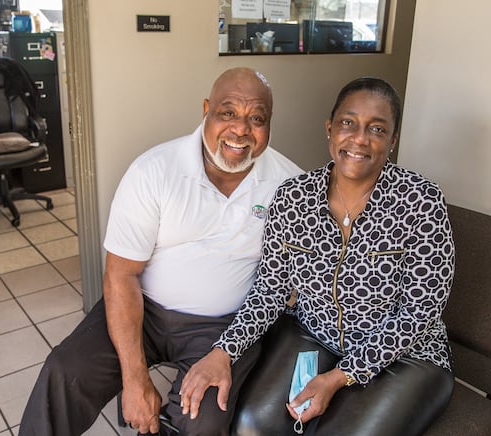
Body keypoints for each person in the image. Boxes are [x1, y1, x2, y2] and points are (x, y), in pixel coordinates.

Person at [19, 67, 303, 436]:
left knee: (202, 418)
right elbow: (121, 274)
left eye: (257, 118)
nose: (241, 129)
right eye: (228, 112)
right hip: (144, 310)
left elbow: (285, 283)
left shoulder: (289, 185)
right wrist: (135, 380)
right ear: (206, 110)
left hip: (223, 326)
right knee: (65, 369)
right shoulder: (154, 171)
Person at [181, 77, 455, 435]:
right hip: (316, 336)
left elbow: (419, 312)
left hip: (405, 356)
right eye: (348, 123)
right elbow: (270, 290)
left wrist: (339, 377)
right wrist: (224, 351)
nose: (359, 138)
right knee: (252, 426)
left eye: (377, 129)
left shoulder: (421, 202)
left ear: (393, 140)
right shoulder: (294, 198)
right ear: (330, 128)